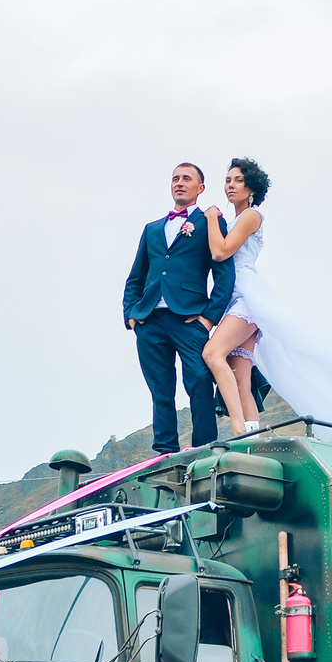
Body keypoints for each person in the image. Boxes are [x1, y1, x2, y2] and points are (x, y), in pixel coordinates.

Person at [197, 157, 332, 448]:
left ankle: (239, 430)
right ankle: (254, 439)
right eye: (227, 180)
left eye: (238, 180)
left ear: (251, 188)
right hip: (233, 297)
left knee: (213, 353)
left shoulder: (250, 216)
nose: (230, 185)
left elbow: (222, 252)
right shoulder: (236, 219)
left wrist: (211, 218)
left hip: (247, 298)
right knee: (241, 377)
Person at [122, 161, 238, 454]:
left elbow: (224, 275)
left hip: (190, 318)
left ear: (200, 188)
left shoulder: (208, 223)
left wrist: (208, 319)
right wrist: (131, 316)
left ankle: (205, 446)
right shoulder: (151, 229)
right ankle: (164, 448)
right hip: (149, 319)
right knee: (160, 388)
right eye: (175, 178)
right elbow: (136, 277)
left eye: (187, 179)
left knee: (199, 379)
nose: (179, 183)